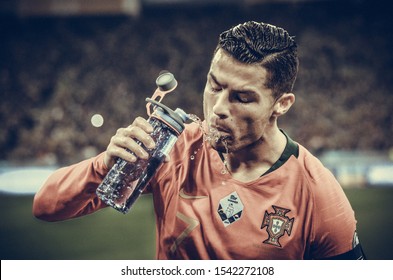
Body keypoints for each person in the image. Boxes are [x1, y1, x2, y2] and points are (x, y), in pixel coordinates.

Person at [33, 21, 366, 260]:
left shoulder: (316, 193)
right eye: (215, 86)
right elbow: (45, 207)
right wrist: (102, 166)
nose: (218, 109)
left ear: (282, 104)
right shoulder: (172, 147)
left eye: (243, 97)